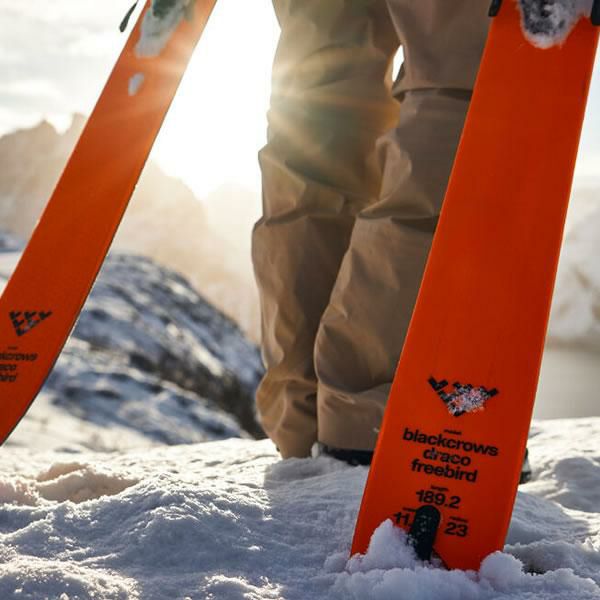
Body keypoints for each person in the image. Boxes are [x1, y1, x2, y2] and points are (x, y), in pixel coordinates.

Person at [252, 1, 492, 463]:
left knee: (322, 92)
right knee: (460, 69)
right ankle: (372, 413)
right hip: (382, 438)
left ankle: (302, 414)